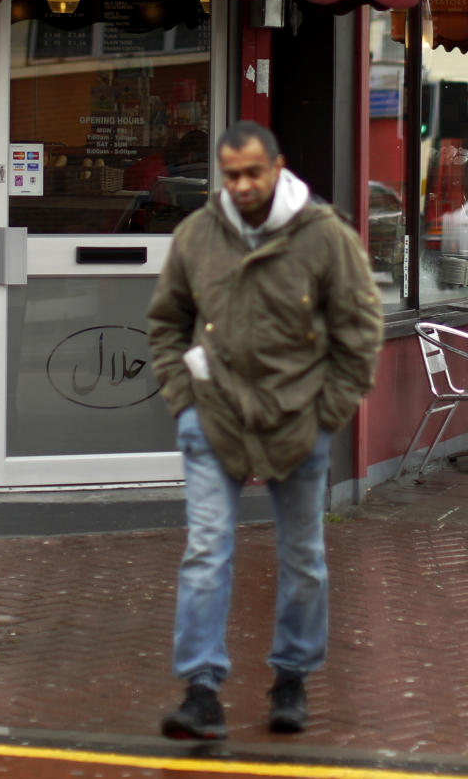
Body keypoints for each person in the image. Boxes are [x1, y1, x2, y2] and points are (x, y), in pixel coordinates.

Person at [147, 120, 383, 740]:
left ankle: (292, 680)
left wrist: (327, 412)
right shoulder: (198, 235)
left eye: (253, 172)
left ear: (277, 167)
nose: (242, 185)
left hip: (298, 421)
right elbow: (167, 323)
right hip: (214, 418)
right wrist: (184, 401)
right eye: (230, 176)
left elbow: (360, 331)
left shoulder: (324, 237)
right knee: (205, 551)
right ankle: (200, 692)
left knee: (303, 556)